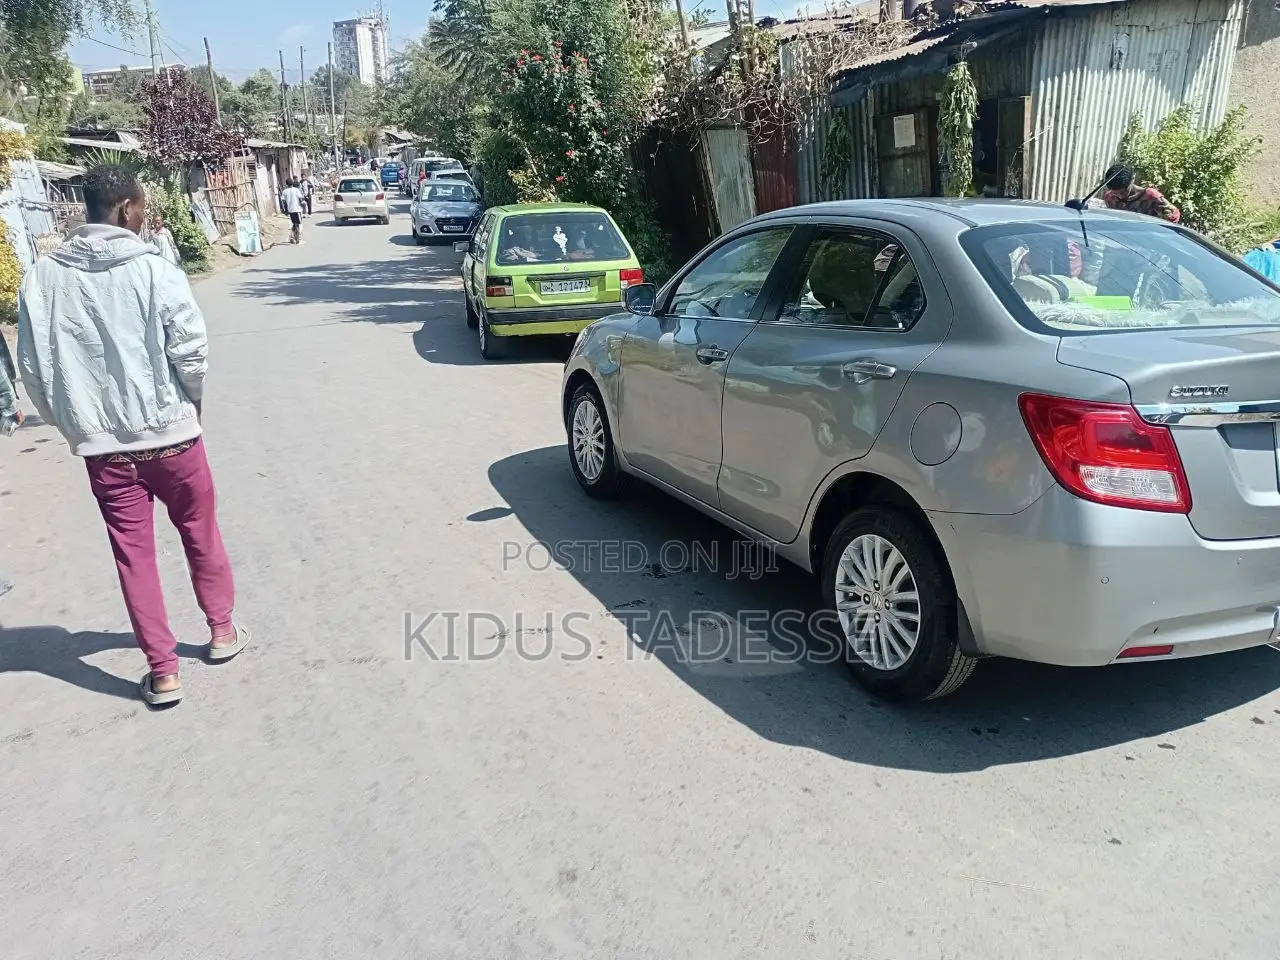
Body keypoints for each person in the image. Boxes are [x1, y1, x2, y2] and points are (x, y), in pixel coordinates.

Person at [16, 164, 249, 707]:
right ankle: (221, 631)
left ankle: (164, 673)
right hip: (173, 438)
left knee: (133, 554)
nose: (145, 216)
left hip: (106, 451)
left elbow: (32, 367)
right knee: (199, 530)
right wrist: (192, 402)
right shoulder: (155, 270)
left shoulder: (43, 278)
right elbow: (190, 350)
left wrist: (74, 427)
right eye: (142, 207)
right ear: (126, 210)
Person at [1102, 164, 1180, 222]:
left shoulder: (1150, 196)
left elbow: (1173, 215)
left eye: (1123, 192)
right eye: (1115, 193)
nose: (1120, 196)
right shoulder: (1110, 197)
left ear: (1132, 179)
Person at [280, 178, 304, 244]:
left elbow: (283, 201)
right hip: (297, 209)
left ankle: (292, 237)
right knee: (298, 224)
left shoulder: (284, 191)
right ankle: (298, 240)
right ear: (292, 183)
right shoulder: (296, 190)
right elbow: (300, 198)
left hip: (290, 210)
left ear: (286, 184)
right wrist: (302, 204)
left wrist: (285, 210)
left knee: (294, 223)